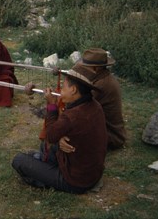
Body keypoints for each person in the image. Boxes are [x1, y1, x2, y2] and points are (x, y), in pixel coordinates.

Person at [12, 63, 108, 194]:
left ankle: (43, 179)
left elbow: (50, 136)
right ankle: (43, 165)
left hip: (76, 181)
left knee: (19, 160)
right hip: (93, 172)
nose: (60, 90)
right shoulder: (95, 105)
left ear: (73, 90)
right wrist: (60, 138)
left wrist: (51, 105)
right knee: (45, 147)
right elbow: (71, 129)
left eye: (63, 86)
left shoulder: (72, 115)